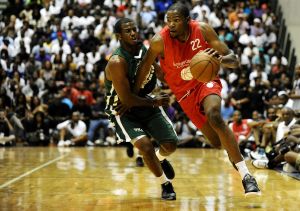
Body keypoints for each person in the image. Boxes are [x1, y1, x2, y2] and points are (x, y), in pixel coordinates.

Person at [133, 3, 260, 196]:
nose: (171, 25)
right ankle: (159, 157)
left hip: (205, 81)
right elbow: (144, 68)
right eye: (168, 21)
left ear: (187, 20)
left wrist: (219, 60)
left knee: (215, 115)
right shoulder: (160, 40)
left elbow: (233, 59)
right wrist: (135, 95)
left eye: (176, 20)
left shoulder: (202, 29)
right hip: (184, 95)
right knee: (217, 143)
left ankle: (246, 176)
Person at [104, 18, 178, 200]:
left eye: (134, 29)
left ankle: (160, 159)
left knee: (170, 144)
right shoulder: (117, 61)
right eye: (128, 31)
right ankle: (165, 184)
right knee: (145, 146)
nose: (133, 33)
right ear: (119, 36)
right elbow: (127, 99)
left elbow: (160, 73)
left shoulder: (144, 50)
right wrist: (155, 102)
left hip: (144, 101)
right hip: (123, 111)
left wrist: (182, 80)